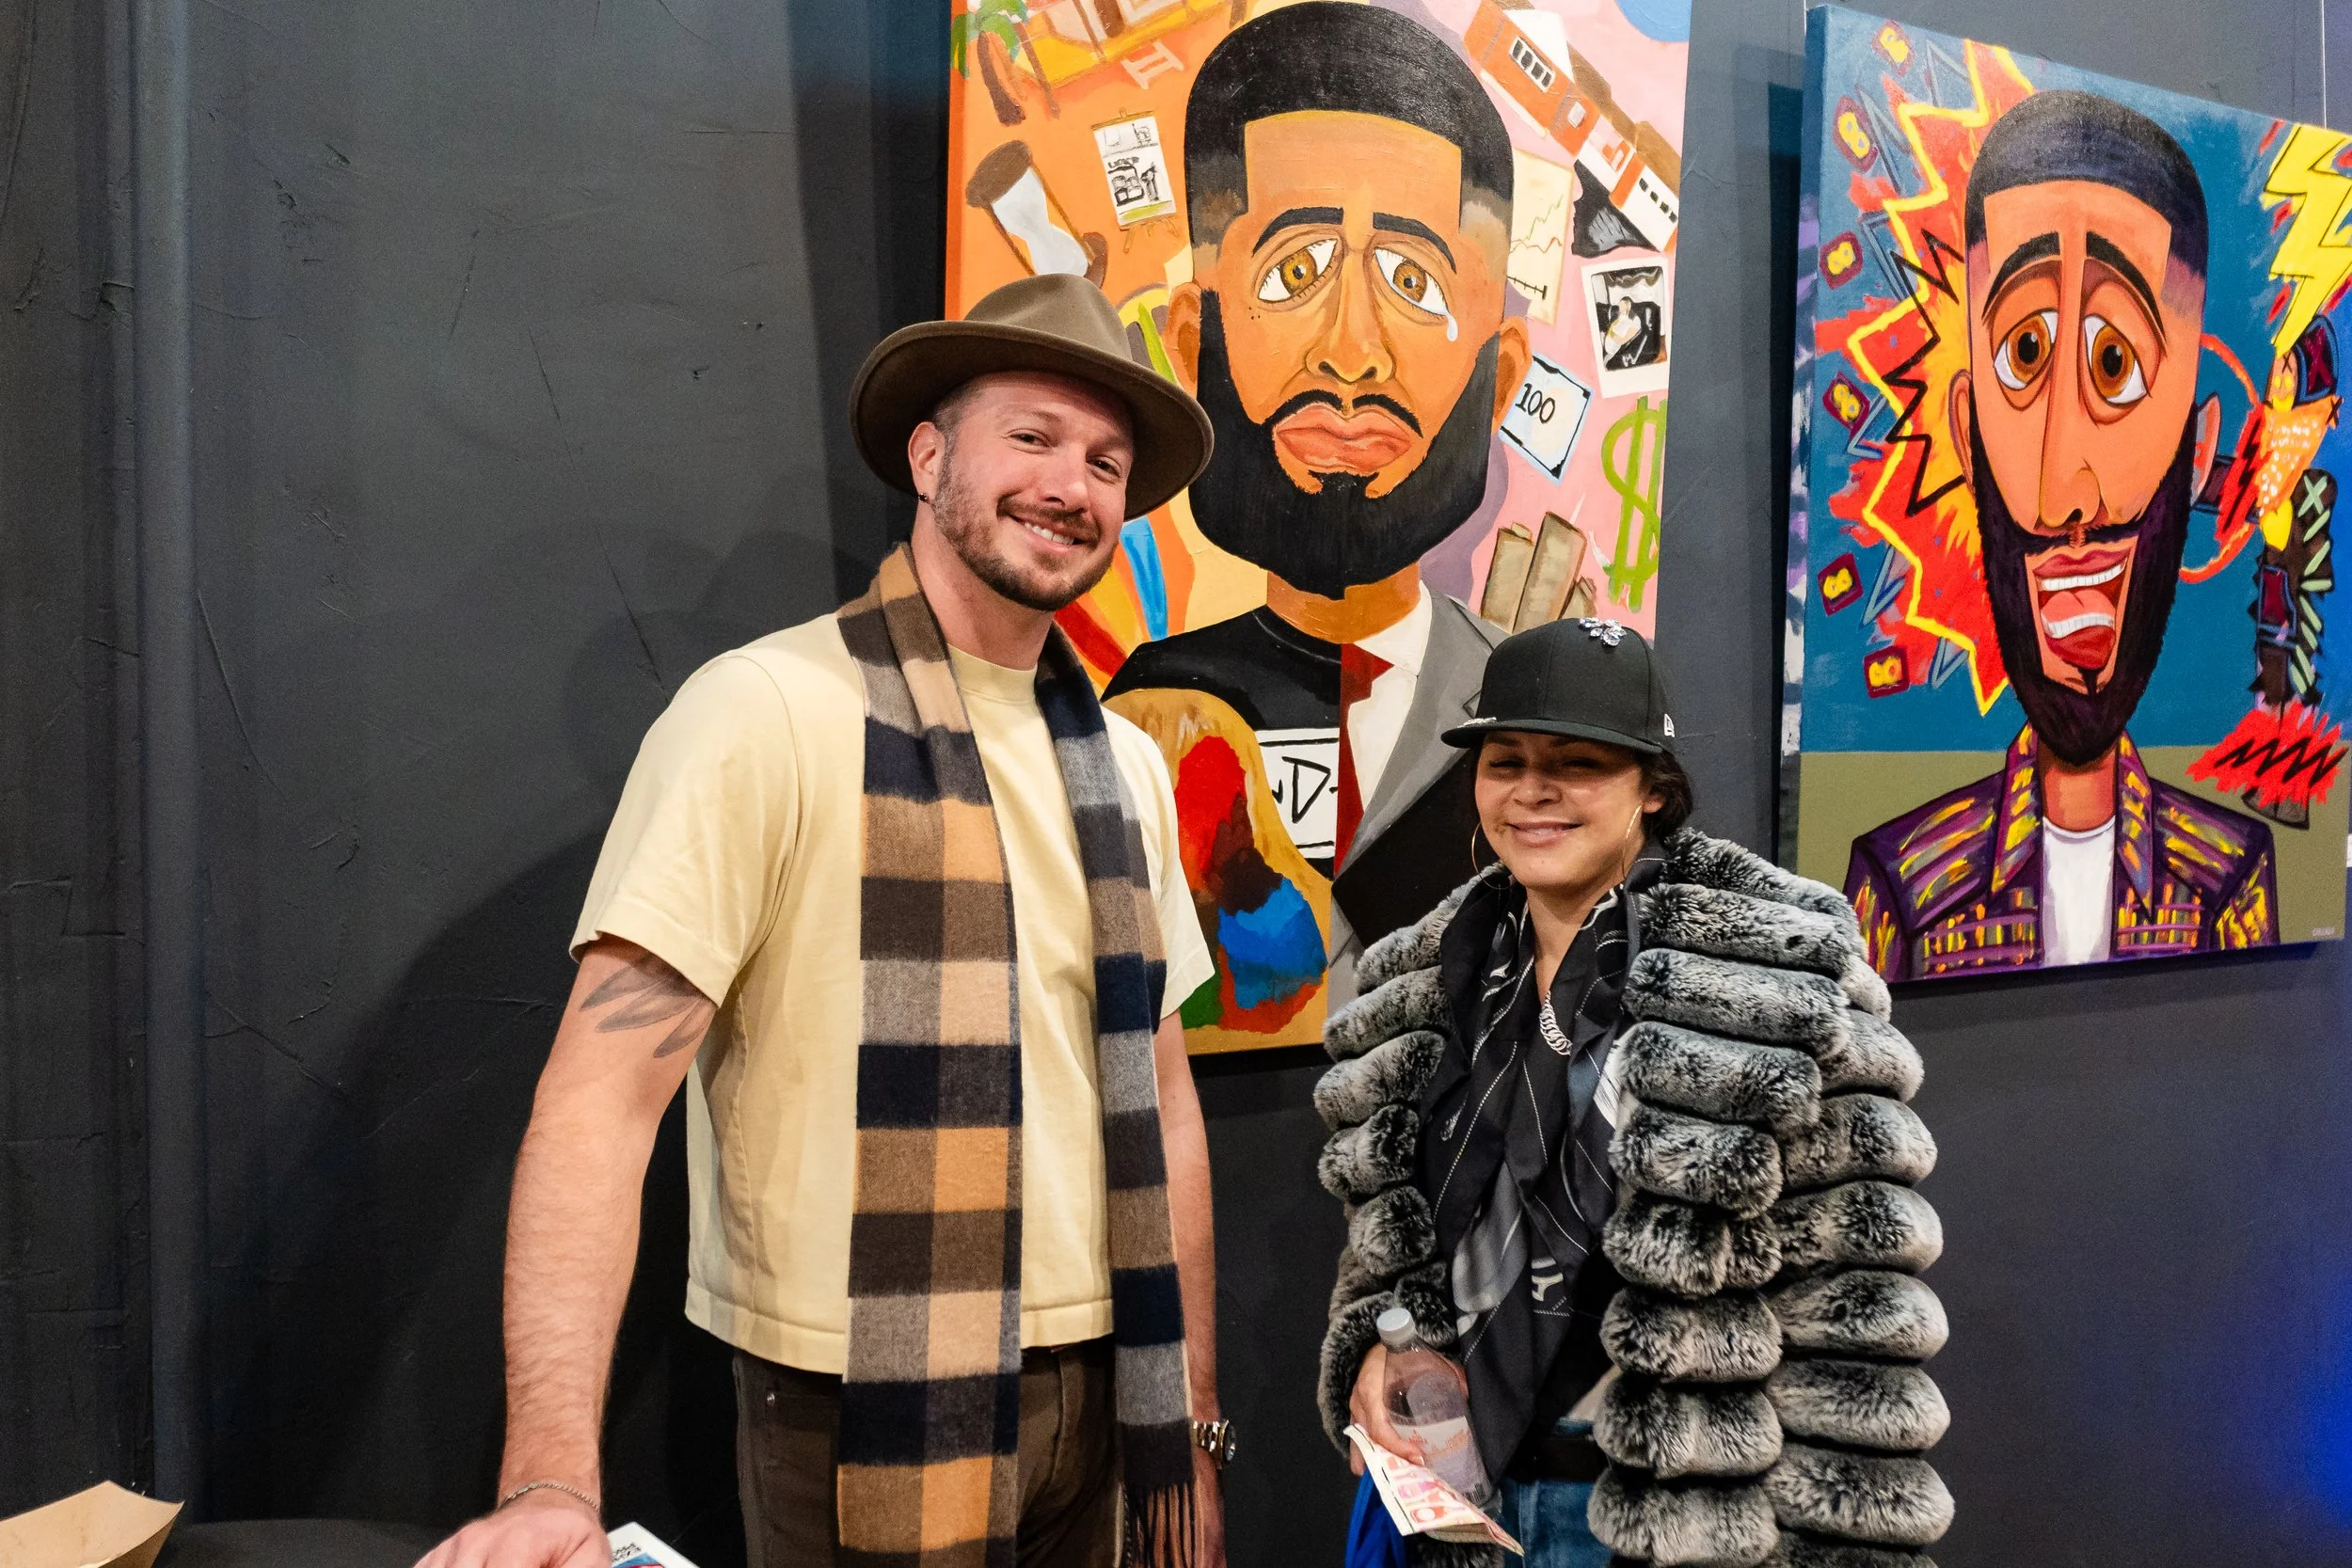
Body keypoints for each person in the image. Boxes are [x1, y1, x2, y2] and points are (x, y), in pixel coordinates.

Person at [415, 273, 1231, 1568]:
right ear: (929, 451)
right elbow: (598, 1103)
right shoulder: (765, 712)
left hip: (1114, 1390)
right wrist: (547, 1476)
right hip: (863, 1398)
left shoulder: (1124, 761)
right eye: (1032, 436)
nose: (1071, 484)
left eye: (1105, 460)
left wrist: (1190, 1426)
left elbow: (1168, 1106)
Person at [1102, 3, 1534, 1046]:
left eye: (1412, 281)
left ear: (1503, 371)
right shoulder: (1144, 711)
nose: (1352, 353)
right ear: (1195, 335)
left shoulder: (1522, 702)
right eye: (1294, 273)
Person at [1845, 89, 2276, 977]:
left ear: (2197, 450)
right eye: (2024, 356)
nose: (2060, 491)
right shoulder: (1895, 890)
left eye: (2114, 362)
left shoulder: (2232, 879)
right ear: (1967, 434)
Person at [1326, 616, 1686, 1565]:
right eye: (1505, 758)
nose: (1532, 790)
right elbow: (1389, 1248)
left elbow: (1839, 1314)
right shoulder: (1424, 983)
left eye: (1575, 762)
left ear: (1652, 786)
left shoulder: (1755, 992)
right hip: (1459, 1495)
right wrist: (1377, 1346)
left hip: (1651, 1512)